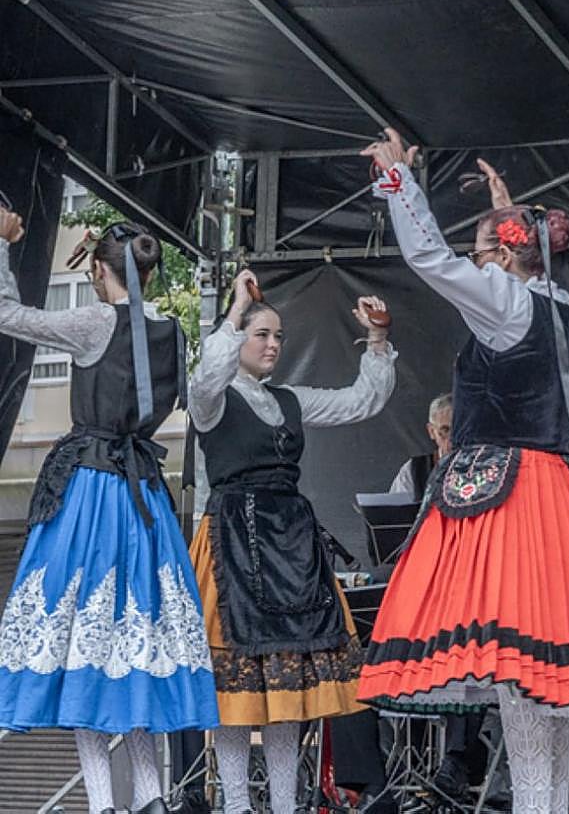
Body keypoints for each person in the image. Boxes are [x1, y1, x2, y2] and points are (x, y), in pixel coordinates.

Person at [356, 131, 569, 814]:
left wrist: (400, 184)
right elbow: (521, 260)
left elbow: (429, 257)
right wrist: (508, 210)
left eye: (483, 251)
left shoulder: (505, 299)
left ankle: (534, 805)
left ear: (501, 254)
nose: (476, 264)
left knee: (517, 673)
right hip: (556, 495)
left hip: (503, 495)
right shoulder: (562, 308)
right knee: (542, 675)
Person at [0, 211, 217, 814]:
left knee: (83, 651)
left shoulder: (96, 321)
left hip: (93, 494)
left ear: (99, 270)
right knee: (135, 653)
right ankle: (151, 799)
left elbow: (8, 314)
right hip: (144, 495)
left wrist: (3, 243)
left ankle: (103, 806)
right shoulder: (172, 330)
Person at [188, 269, 396, 814]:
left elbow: (362, 401)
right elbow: (206, 376)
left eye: (279, 336)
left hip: (289, 545)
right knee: (234, 689)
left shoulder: (288, 399)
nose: (274, 344)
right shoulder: (213, 399)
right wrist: (236, 309)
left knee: (287, 686)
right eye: (263, 334)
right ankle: (236, 805)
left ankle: (285, 805)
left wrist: (377, 339)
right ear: (238, 337)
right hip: (233, 542)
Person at [389, 392, 452, 501]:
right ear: (431, 431)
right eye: (445, 431)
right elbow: (397, 510)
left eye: (459, 430)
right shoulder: (414, 471)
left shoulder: (482, 467)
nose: (453, 438)